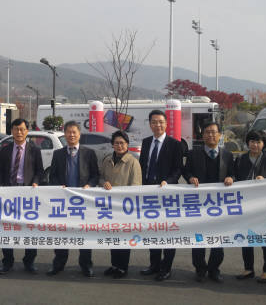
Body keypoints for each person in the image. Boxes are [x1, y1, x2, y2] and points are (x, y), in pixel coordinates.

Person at [183, 121, 236, 283]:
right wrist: (190, 178)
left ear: (220, 135)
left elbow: (235, 174)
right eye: (207, 132)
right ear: (203, 135)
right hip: (199, 204)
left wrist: (231, 178)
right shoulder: (193, 154)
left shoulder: (227, 155)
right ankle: (200, 268)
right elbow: (186, 171)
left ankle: (214, 269)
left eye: (214, 132)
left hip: (219, 206)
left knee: (218, 239)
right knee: (198, 238)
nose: (210, 135)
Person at [46, 120, 100, 278]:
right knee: (62, 233)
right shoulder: (58, 154)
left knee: (84, 235)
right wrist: (58, 187)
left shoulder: (89, 153)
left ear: (79, 134)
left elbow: (95, 175)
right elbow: (53, 176)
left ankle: (86, 265)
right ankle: (59, 264)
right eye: (68, 132)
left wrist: (90, 185)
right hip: (63, 202)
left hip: (83, 202)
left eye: (74, 132)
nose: (71, 135)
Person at [0, 118, 43, 275]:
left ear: (27, 131)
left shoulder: (34, 150)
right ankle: (7, 261)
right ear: (12, 131)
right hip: (8, 193)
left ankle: (29, 261)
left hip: (27, 194)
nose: (19, 132)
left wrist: (35, 182)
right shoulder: (6, 149)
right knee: (7, 228)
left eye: (22, 129)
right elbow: (0, 170)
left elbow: (39, 172)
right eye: (16, 129)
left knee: (30, 229)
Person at [138, 109, 184, 281]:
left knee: (168, 230)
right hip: (149, 192)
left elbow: (178, 168)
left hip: (167, 193)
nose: (157, 125)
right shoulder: (146, 142)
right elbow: (143, 167)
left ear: (166, 124)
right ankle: (154, 265)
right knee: (152, 230)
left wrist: (169, 181)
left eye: (160, 122)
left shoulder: (175, 144)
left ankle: (166, 267)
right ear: (150, 124)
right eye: (154, 122)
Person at [234, 130, 266, 283]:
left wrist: (265, 180)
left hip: (264, 208)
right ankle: (248, 269)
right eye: (252, 141)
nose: (255, 144)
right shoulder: (240, 160)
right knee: (246, 238)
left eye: (258, 142)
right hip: (245, 206)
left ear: (263, 144)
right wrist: (230, 178)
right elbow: (234, 176)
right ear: (247, 143)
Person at [100, 130, 142, 279]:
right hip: (110, 206)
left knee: (124, 237)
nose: (119, 145)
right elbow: (100, 177)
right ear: (112, 144)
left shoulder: (133, 162)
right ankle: (114, 265)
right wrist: (103, 182)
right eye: (116, 143)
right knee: (113, 236)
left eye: (122, 143)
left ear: (127, 144)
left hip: (125, 207)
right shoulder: (107, 160)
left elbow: (136, 186)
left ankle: (123, 267)